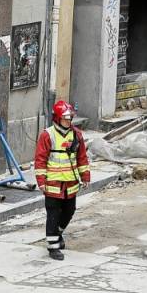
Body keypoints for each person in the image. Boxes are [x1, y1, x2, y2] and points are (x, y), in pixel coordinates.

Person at [34, 100, 90, 260]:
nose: (69, 121)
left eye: (70, 118)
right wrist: (41, 181)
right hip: (53, 184)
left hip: (70, 184)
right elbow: (40, 160)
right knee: (53, 215)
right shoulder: (47, 135)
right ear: (58, 118)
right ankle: (53, 247)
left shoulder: (76, 135)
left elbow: (82, 157)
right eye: (66, 118)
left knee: (69, 212)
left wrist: (85, 176)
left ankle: (57, 234)